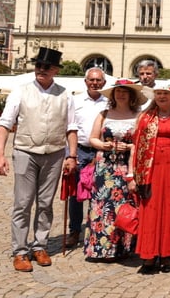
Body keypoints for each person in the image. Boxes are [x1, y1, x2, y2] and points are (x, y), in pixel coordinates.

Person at [0, 47, 78, 272]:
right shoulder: (20, 91)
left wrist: (72, 155)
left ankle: (39, 246)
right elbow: (4, 124)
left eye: (46, 67)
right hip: (25, 152)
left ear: (56, 70)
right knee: (23, 203)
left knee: (45, 202)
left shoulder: (65, 95)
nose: (41, 70)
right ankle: (20, 251)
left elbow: (71, 128)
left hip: (54, 154)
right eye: (38, 66)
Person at [129, 81, 170, 274]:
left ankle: (167, 253)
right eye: (158, 93)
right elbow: (135, 146)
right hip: (150, 170)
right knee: (150, 210)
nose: (161, 96)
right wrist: (131, 175)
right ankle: (149, 256)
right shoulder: (145, 117)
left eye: (165, 93)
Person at [84, 79, 145, 260]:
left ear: (131, 95)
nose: (121, 94)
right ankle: (100, 248)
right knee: (101, 206)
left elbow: (142, 141)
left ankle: (123, 248)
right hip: (105, 166)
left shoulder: (138, 115)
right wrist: (105, 145)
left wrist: (129, 147)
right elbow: (92, 138)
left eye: (125, 91)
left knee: (123, 206)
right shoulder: (104, 114)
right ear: (113, 95)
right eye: (117, 91)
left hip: (127, 165)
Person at [66, 67, 108, 248]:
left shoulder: (109, 103)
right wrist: (70, 155)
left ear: (104, 83)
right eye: (91, 80)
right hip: (81, 150)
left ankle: (94, 230)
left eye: (98, 80)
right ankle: (74, 230)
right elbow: (69, 127)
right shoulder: (75, 101)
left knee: (98, 193)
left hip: (102, 151)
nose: (95, 83)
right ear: (86, 82)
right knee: (76, 193)